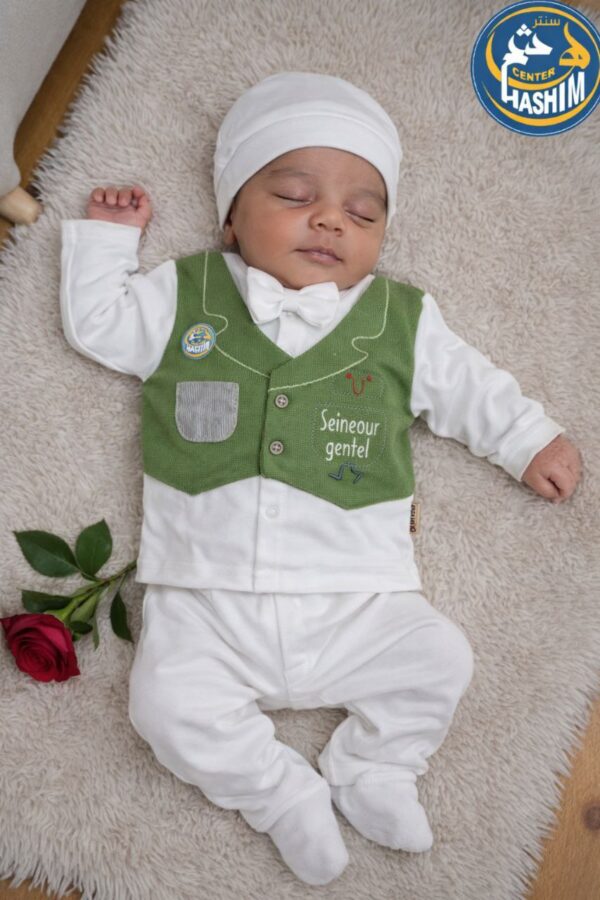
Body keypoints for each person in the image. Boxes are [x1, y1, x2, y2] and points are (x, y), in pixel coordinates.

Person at [59, 71, 582, 886]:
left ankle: (375, 766)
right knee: (163, 705)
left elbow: (468, 386)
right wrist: (105, 243)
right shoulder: (186, 294)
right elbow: (100, 324)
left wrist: (528, 439)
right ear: (231, 219)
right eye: (295, 196)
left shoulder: (401, 318)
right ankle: (278, 793)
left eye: (363, 214)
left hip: (359, 596)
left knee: (440, 660)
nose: (331, 218)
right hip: (207, 596)